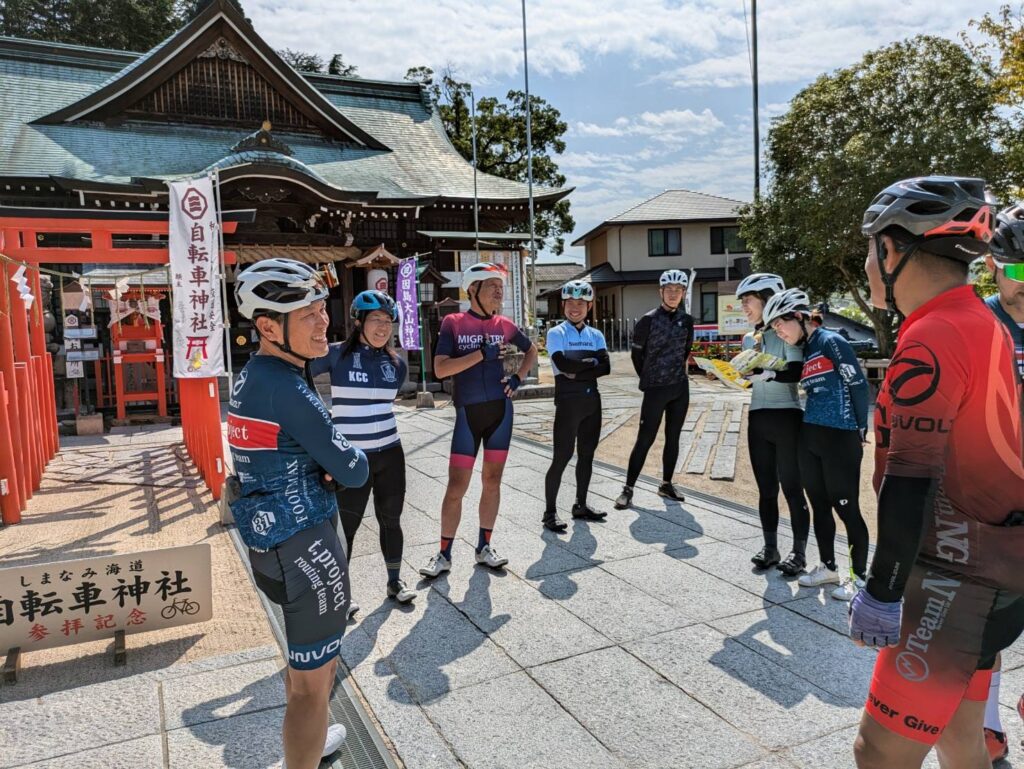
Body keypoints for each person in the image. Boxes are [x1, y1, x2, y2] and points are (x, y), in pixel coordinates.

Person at [849, 175, 1024, 769]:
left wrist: (882, 589)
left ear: (891, 251)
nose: (868, 267)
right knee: (961, 743)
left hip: (954, 576)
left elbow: (909, 478)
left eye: (869, 250)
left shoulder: (932, 336)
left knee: (878, 754)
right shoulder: (980, 318)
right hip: (997, 567)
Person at [227, 259, 369, 769]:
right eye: (307, 314)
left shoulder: (254, 376)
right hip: (307, 547)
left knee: (301, 665)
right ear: (267, 327)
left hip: (273, 542)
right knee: (312, 686)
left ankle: (307, 744)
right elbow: (353, 469)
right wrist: (339, 461)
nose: (323, 323)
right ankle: (301, 757)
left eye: (322, 310)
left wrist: (318, 461)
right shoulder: (288, 388)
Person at [419, 262, 538, 577]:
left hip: (501, 412)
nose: (499, 292)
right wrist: (479, 356)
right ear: (472, 289)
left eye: (501, 287)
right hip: (468, 415)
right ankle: (443, 554)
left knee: (492, 481)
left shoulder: (505, 324)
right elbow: (441, 369)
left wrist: (517, 380)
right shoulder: (453, 323)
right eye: (491, 286)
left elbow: (532, 351)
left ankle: (484, 547)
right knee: (457, 485)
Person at [308, 289, 415, 609]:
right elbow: (298, 376)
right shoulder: (335, 353)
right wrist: (317, 415)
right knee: (346, 527)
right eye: (376, 320)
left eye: (388, 321)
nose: (383, 327)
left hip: (390, 454)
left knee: (391, 520)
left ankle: (395, 581)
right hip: (350, 457)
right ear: (359, 322)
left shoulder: (396, 365)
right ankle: (341, 592)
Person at [763, 287, 870, 601]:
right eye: (773, 328)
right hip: (811, 435)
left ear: (798, 315)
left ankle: (860, 578)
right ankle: (827, 566)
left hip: (840, 435)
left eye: (780, 324)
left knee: (846, 508)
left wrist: (860, 428)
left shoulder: (830, 341)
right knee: (820, 505)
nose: (779, 332)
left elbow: (858, 384)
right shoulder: (806, 350)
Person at [977, 202, 1024, 764]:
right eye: (1019, 272)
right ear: (995, 265)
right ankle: (985, 723)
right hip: (990, 508)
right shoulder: (977, 323)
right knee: (986, 631)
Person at [734, 273, 811, 575]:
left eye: (748, 300)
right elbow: (751, 379)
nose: (744, 307)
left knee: (793, 488)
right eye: (742, 302)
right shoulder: (748, 339)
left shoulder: (784, 333)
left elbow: (795, 371)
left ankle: (799, 553)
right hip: (758, 418)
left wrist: (768, 374)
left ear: (766, 300)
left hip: (787, 417)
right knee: (766, 489)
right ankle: (770, 548)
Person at [614, 269, 694, 510]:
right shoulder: (647, 320)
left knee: (673, 437)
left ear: (683, 293)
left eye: (677, 290)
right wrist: (648, 378)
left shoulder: (687, 320)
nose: (673, 294)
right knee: (645, 439)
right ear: (660, 292)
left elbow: (686, 351)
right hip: (655, 389)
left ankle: (666, 484)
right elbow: (637, 355)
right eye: (668, 290)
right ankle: (628, 488)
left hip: (680, 387)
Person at [541, 279, 611, 532]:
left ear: (589, 306)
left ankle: (580, 505)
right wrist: (590, 364)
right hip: (568, 402)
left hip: (592, 401)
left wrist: (578, 369)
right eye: (571, 302)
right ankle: (549, 513)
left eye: (581, 303)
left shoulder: (596, 334)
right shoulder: (556, 333)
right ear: (563, 305)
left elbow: (606, 367)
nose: (575, 307)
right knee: (561, 457)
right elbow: (562, 364)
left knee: (587, 455)